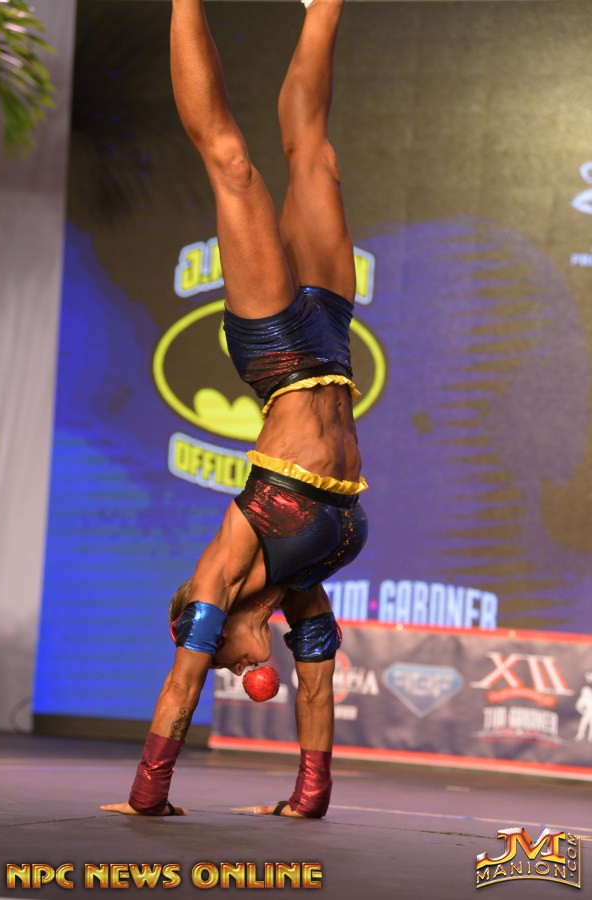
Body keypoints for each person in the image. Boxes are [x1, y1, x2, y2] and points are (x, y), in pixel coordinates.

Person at [101, 0, 367, 820]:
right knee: (313, 154)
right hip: (332, 342)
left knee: (234, 166)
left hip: (280, 353)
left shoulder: (222, 572)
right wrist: (308, 797)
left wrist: (148, 796)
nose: (243, 669)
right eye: (237, 667)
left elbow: (181, 685)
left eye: (226, 659)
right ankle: (323, 7)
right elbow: (316, 688)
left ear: (201, 623)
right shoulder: (298, 586)